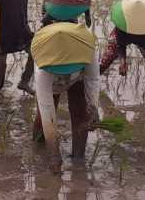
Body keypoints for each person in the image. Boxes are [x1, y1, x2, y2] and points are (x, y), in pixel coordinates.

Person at [30, 19, 100, 175]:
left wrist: (94, 107)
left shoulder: (86, 49)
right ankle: (38, 150)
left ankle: (78, 161)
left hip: (79, 77)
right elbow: (48, 110)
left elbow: (93, 80)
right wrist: (54, 154)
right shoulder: (42, 68)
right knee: (42, 119)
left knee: (81, 116)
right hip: (52, 82)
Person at [99, 0, 145, 80]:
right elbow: (120, 45)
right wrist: (123, 62)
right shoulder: (123, 25)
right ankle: (90, 78)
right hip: (126, 32)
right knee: (106, 59)